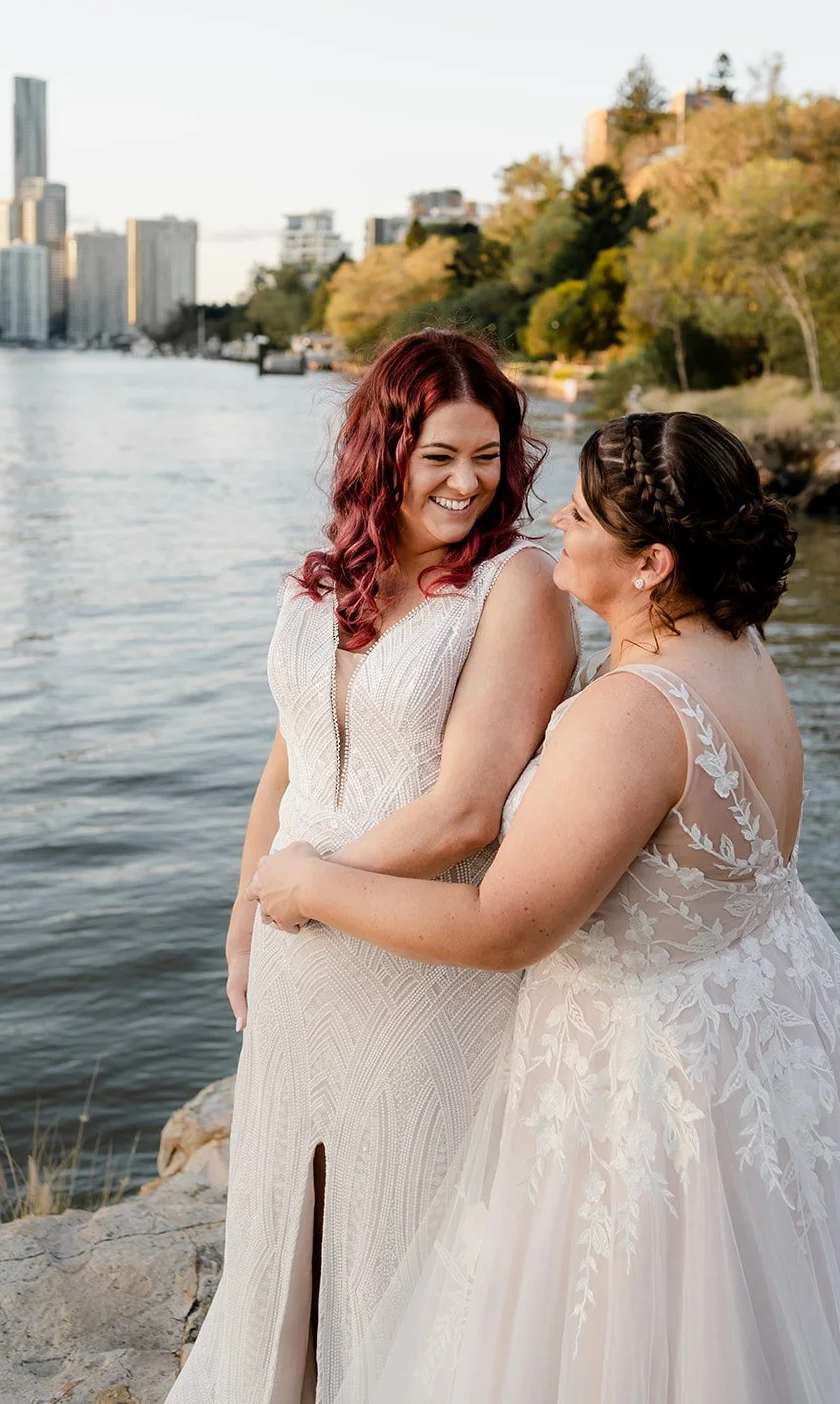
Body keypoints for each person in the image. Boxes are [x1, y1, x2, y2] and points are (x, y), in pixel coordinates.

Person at [251, 411, 840, 1404]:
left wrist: (314, 881)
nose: (552, 527)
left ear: (650, 562)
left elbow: (506, 929)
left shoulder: (630, 711)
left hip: (642, 1079)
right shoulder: (741, 654)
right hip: (752, 1044)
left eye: (577, 516)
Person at [168, 330, 577, 1404]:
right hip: (300, 953)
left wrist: (306, 888)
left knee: (404, 1227)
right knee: (283, 1225)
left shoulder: (514, 587)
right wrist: (246, 910)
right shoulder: (320, 582)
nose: (467, 482)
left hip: (417, 959)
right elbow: (287, 762)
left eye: (486, 455)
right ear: (380, 447)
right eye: (438, 455)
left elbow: (464, 809)